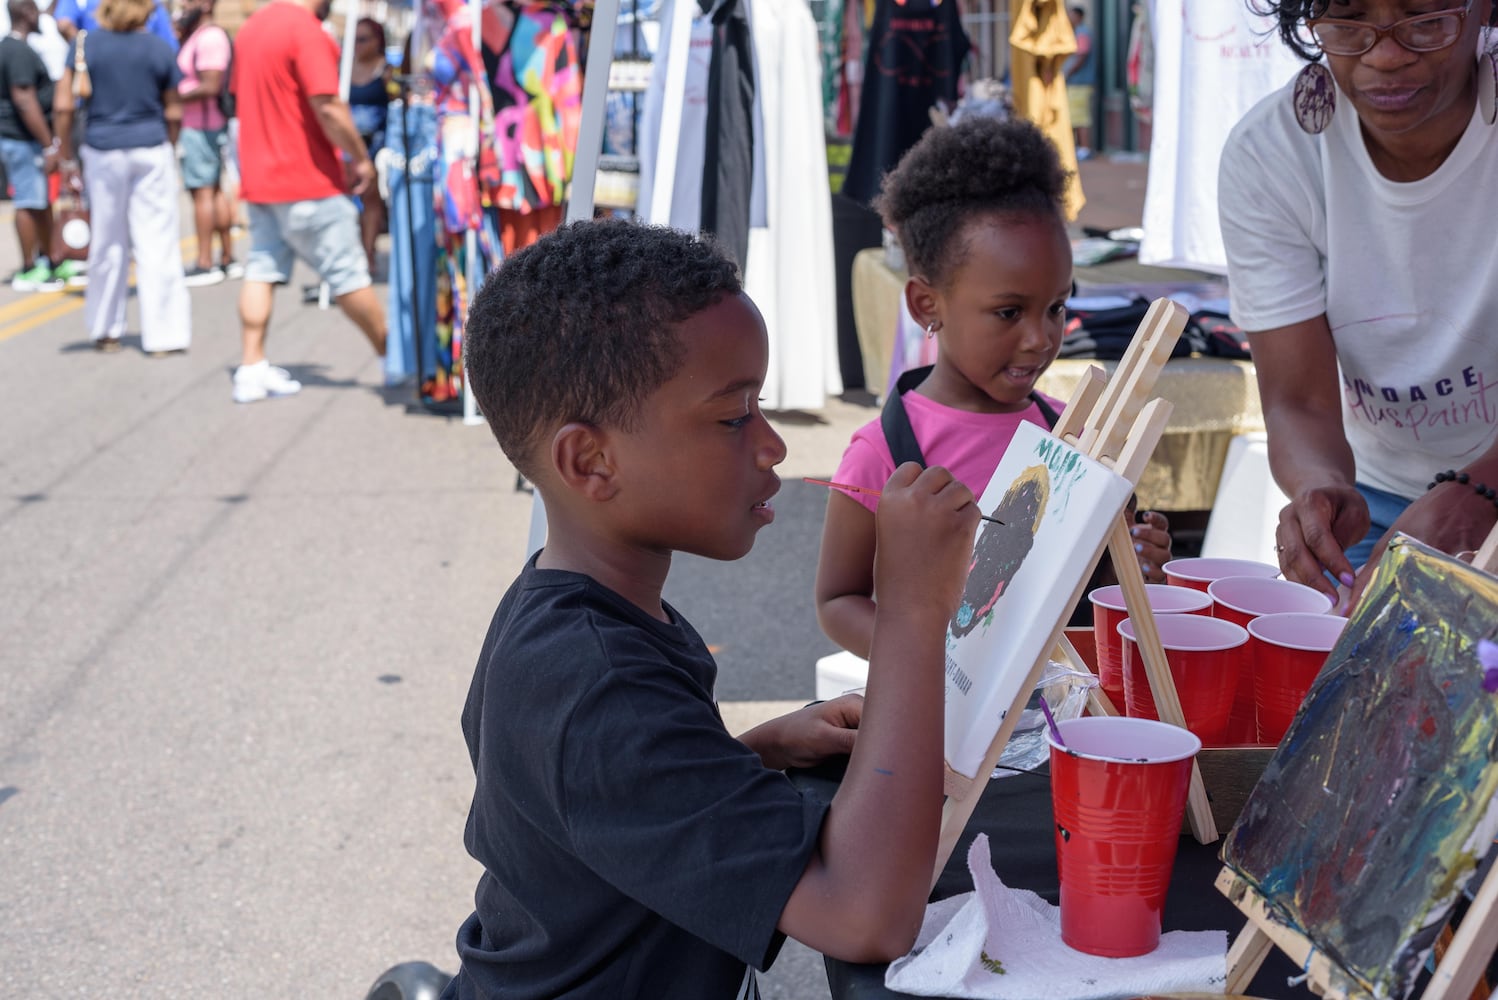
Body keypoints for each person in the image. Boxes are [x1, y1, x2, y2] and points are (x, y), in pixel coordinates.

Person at [443, 218, 980, 998]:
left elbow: (608, 802)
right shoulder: (595, 683)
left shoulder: (562, 604)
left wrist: (753, 752)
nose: (773, 446)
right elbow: (867, 915)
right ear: (590, 461)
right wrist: (911, 610)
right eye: (734, 418)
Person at [814, 116, 1172, 658]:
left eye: (1056, 307)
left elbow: (1088, 596)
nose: (1040, 338)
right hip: (936, 724)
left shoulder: (1073, 436)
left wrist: (1137, 566)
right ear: (926, 305)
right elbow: (838, 600)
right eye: (1009, 312)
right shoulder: (880, 452)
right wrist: (931, 654)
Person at [1218, 0, 1498, 604]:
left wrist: (1479, 492)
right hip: (1383, 501)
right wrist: (1321, 487)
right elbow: (1297, 399)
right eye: (1347, 23)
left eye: (1425, 20)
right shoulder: (1270, 155)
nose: (1386, 55)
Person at [229, 0, 386, 404]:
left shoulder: (250, 30)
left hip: (261, 175)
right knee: (348, 273)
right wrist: (360, 157)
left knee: (261, 267)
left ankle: (251, 366)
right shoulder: (306, 31)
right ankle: (393, 355)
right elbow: (327, 105)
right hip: (307, 177)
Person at [54, 0, 188, 354]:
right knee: (156, 242)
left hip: (102, 149)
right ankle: (165, 335)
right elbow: (174, 108)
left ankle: (105, 329)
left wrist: (64, 151)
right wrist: (169, 147)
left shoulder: (86, 45)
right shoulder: (159, 48)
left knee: (107, 243)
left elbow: (65, 104)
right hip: (150, 146)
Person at [0, 0, 62, 292]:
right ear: (26, 13)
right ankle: (29, 266)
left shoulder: (9, 48)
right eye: (37, 11)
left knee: (38, 202)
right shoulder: (18, 51)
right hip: (22, 139)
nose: (42, 18)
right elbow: (25, 100)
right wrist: (48, 144)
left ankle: (48, 259)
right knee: (28, 201)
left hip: (21, 139)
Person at [174, 0, 237, 285]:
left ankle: (204, 261)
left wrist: (171, 97)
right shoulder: (197, 35)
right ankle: (225, 257)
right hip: (200, 125)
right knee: (212, 190)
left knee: (203, 192)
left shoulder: (210, 37)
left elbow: (211, 85)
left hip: (202, 126)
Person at [347, 16, 389, 275]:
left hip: (374, 144)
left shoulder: (384, 70)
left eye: (363, 39)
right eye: (354, 39)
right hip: (347, 144)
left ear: (377, 41)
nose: (357, 45)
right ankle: (352, 252)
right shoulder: (344, 69)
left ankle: (368, 252)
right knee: (345, 202)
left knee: (370, 199)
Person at [51, 0, 175, 50]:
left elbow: (64, 25)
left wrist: (85, 55)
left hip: (97, 78)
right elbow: (169, 47)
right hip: (143, 82)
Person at [1062, 4, 1094, 158]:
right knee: (1074, 116)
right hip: (1076, 82)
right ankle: (1079, 147)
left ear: (1079, 17)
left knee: (1080, 117)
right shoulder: (1077, 32)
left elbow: (1081, 56)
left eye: (1071, 15)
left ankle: (1084, 148)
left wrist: (1068, 72)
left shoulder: (1082, 33)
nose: (1069, 18)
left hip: (1079, 82)